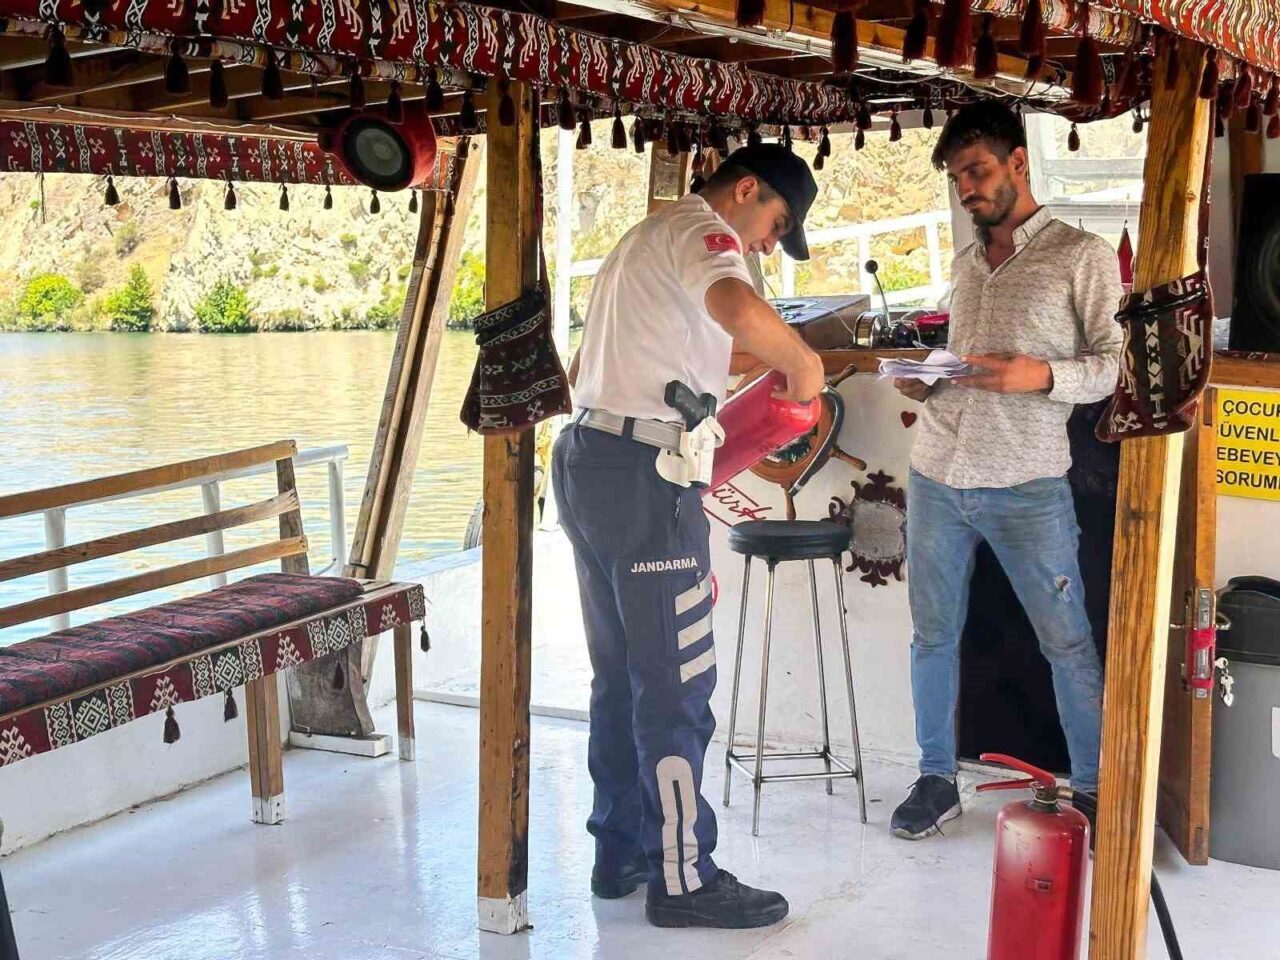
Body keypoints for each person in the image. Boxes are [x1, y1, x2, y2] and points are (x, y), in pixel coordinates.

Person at [553, 144, 825, 927]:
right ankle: (684, 878)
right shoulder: (706, 233)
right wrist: (803, 364)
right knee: (677, 683)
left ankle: (624, 853)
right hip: (648, 481)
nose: (770, 244)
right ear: (745, 191)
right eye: (776, 223)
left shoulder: (644, 239)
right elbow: (739, 308)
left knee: (622, 674)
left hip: (588, 460)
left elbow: (591, 367)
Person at [890, 100, 1123, 841]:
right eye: (958, 178)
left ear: (1019, 163)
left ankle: (1091, 789)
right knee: (932, 636)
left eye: (978, 172)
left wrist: (1042, 376)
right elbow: (964, 361)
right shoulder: (964, 264)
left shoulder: (1079, 256)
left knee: (1067, 640)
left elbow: (1116, 368)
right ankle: (935, 779)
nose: (967, 189)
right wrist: (925, 376)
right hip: (936, 471)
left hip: (1027, 482)